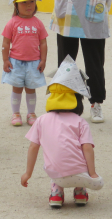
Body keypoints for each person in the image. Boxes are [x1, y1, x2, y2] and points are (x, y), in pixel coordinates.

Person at [21, 56, 103, 208]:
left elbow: (33, 147)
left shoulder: (41, 120)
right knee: (79, 160)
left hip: (56, 173)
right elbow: (87, 148)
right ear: (77, 100)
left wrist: (28, 173)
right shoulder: (80, 122)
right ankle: (80, 192)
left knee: (54, 161)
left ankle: (56, 194)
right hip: (80, 174)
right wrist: (92, 174)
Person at [1, 0, 48, 127]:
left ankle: (31, 113)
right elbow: (6, 43)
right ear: (16, 4)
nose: (29, 5)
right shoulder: (12, 23)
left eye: (32, 1)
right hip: (16, 62)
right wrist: (5, 60)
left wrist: (43, 60)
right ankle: (16, 113)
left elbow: (43, 43)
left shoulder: (38, 23)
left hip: (34, 62)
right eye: (24, 2)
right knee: (17, 88)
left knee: (31, 89)